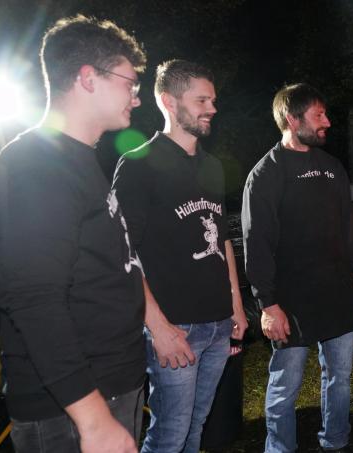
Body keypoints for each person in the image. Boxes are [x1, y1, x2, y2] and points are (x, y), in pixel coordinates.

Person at [0, 15, 146, 453]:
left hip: (108, 386)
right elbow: (35, 300)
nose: (137, 97)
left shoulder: (78, 160)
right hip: (71, 410)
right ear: (88, 78)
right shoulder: (35, 166)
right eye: (129, 82)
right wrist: (93, 420)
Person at [112, 59, 248, 453]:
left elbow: (222, 242)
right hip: (176, 327)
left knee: (196, 427)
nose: (212, 108)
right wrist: (158, 327)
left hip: (219, 324)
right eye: (202, 99)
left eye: (214, 100)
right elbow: (122, 253)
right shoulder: (138, 163)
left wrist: (237, 306)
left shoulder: (212, 166)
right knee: (169, 435)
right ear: (168, 102)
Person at [242, 83, 353, 453]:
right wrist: (267, 304)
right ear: (291, 118)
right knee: (286, 385)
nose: (327, 122)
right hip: (291, 300)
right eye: (318, 116)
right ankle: (279, 449)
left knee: (340, 378)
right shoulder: (266, 174)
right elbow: (257, 243)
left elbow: (348, 227)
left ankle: (336, 441)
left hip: (337, 290)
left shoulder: (332, 168)